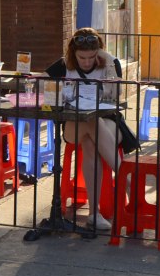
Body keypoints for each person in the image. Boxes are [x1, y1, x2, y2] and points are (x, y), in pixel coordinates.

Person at [45, 27, 123, 230]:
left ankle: (93, 214)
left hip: (108, 122)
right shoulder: (64, 65)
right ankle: (127, 179)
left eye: (92, 57)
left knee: (90, 141)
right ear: (73, 54)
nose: (87, 62)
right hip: (73, 126)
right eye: (82, 58)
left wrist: (107, 58)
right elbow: (40, 82)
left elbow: (116, 94)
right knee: (89, 121)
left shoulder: (109, 63)